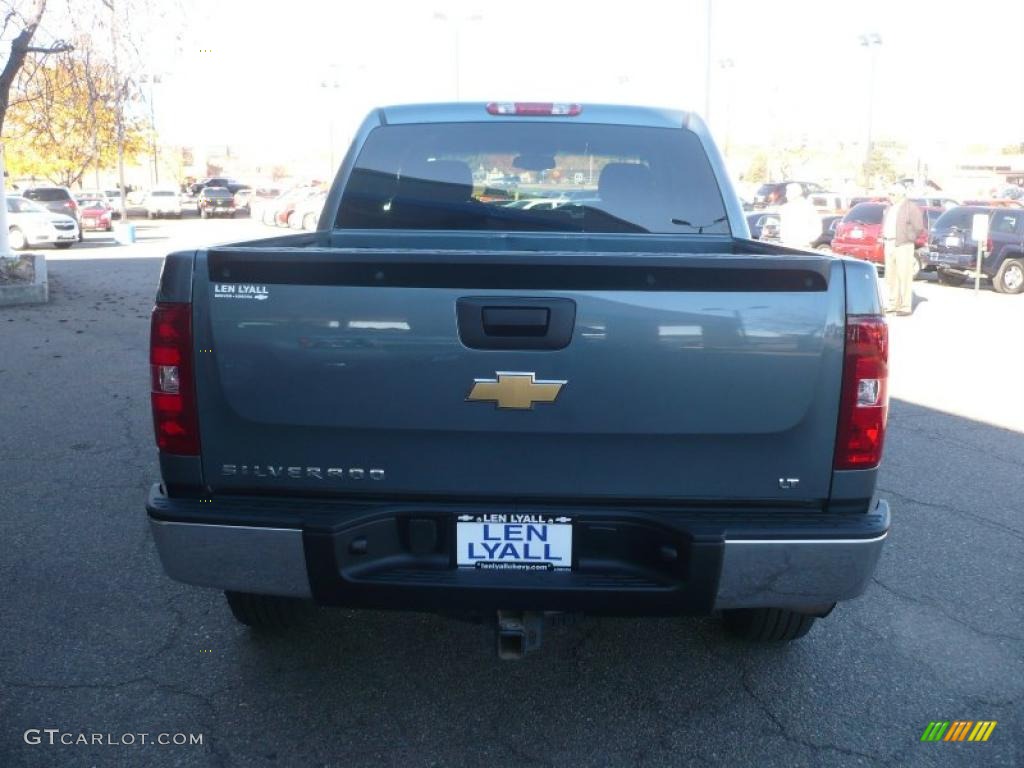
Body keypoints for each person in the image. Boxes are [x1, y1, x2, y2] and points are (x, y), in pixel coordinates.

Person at [882, 186, 926, 316]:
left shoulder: (910, 207)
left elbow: (918, 227)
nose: (890, 196)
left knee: (904, 276)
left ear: (900, 194)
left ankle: (905, 306)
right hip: (889, 243)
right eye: (889, 193)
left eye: (892, 193)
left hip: (903, 245)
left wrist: (908, 238)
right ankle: (892, 304)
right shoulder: (889, 207)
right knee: (890, 276)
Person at [778, 183, 821, 249]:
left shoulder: (808, 207)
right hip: (786, 246)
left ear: (795, 193)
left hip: (802, 247)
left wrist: (807, 240)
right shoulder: (785, 208)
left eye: (788, 193)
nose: (786, 195)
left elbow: (817, 227)